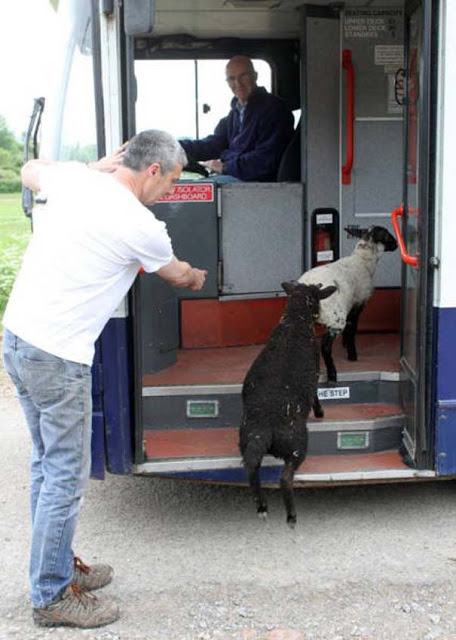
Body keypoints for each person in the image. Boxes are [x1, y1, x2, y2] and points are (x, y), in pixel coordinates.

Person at [1, 130, 207, 629]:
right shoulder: (141, 225)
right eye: (172, 181)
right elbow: (176, 274)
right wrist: (198, 276)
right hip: (58, 356)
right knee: (65, 476)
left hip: (19, 338)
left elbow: (30, 170)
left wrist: (88, 169)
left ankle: (56, 564)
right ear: (153, 170)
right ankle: (51, 596)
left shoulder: (73, 179)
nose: (170, 192)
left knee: (48, 465)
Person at [180, 55, 294, 182]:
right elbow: (213, 145)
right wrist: (176, 146)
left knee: (198, 192)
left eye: (243, 76)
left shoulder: (274, 109)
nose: (238, 83)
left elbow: (266, 159)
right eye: (232, 78)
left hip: (259, 183)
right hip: (238, 175)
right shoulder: (234, 115)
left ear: (255, 76)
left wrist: (225, 166)